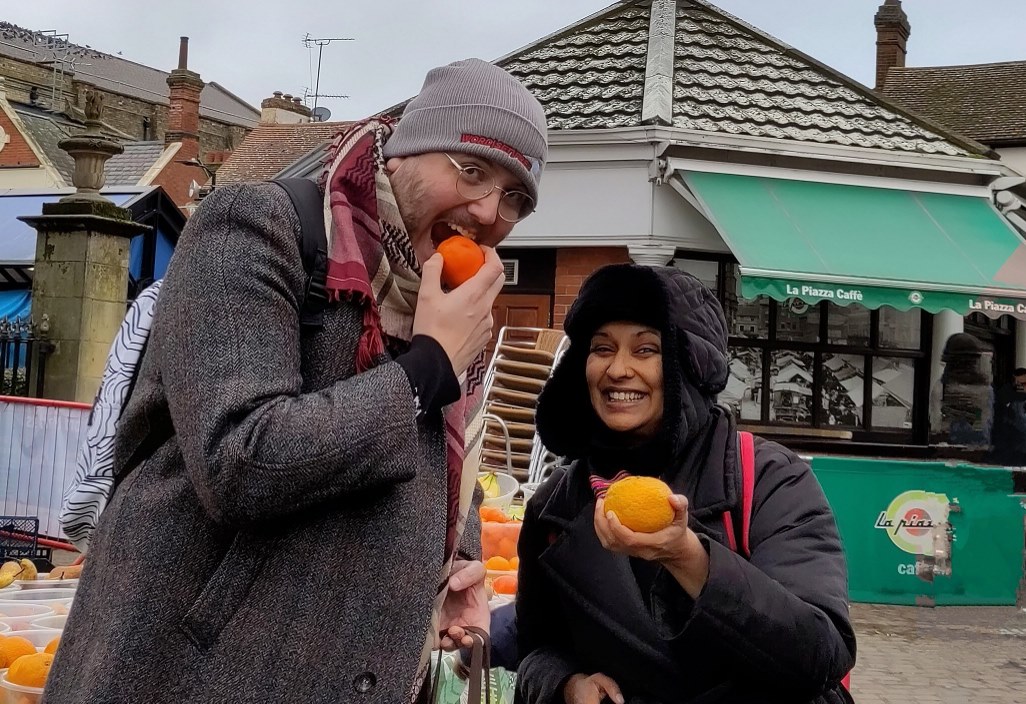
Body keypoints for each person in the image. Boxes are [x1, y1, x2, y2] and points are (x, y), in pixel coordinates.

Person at [43, 58, 548, 704]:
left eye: (515, 197)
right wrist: (427, 365)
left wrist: (453, 564)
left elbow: (438, 452)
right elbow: (241, 458)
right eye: (472, 170)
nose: (487, 210)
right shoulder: (254, 229)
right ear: (403, 150)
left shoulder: (443, 299)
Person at [515, 264, 856, 704]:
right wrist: (565, 684)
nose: (618, 369)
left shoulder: (768, 478)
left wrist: (690, 560)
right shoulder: (553, 507)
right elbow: (535, 649)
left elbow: (820, 653)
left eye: (646, 350)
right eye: (602, 348)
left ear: (689, 366)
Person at [989, 367, 1026, 467]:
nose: (1020, 387)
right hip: (1008, 447)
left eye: (1023, 383)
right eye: (1017, 383)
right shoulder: (1005, 394)